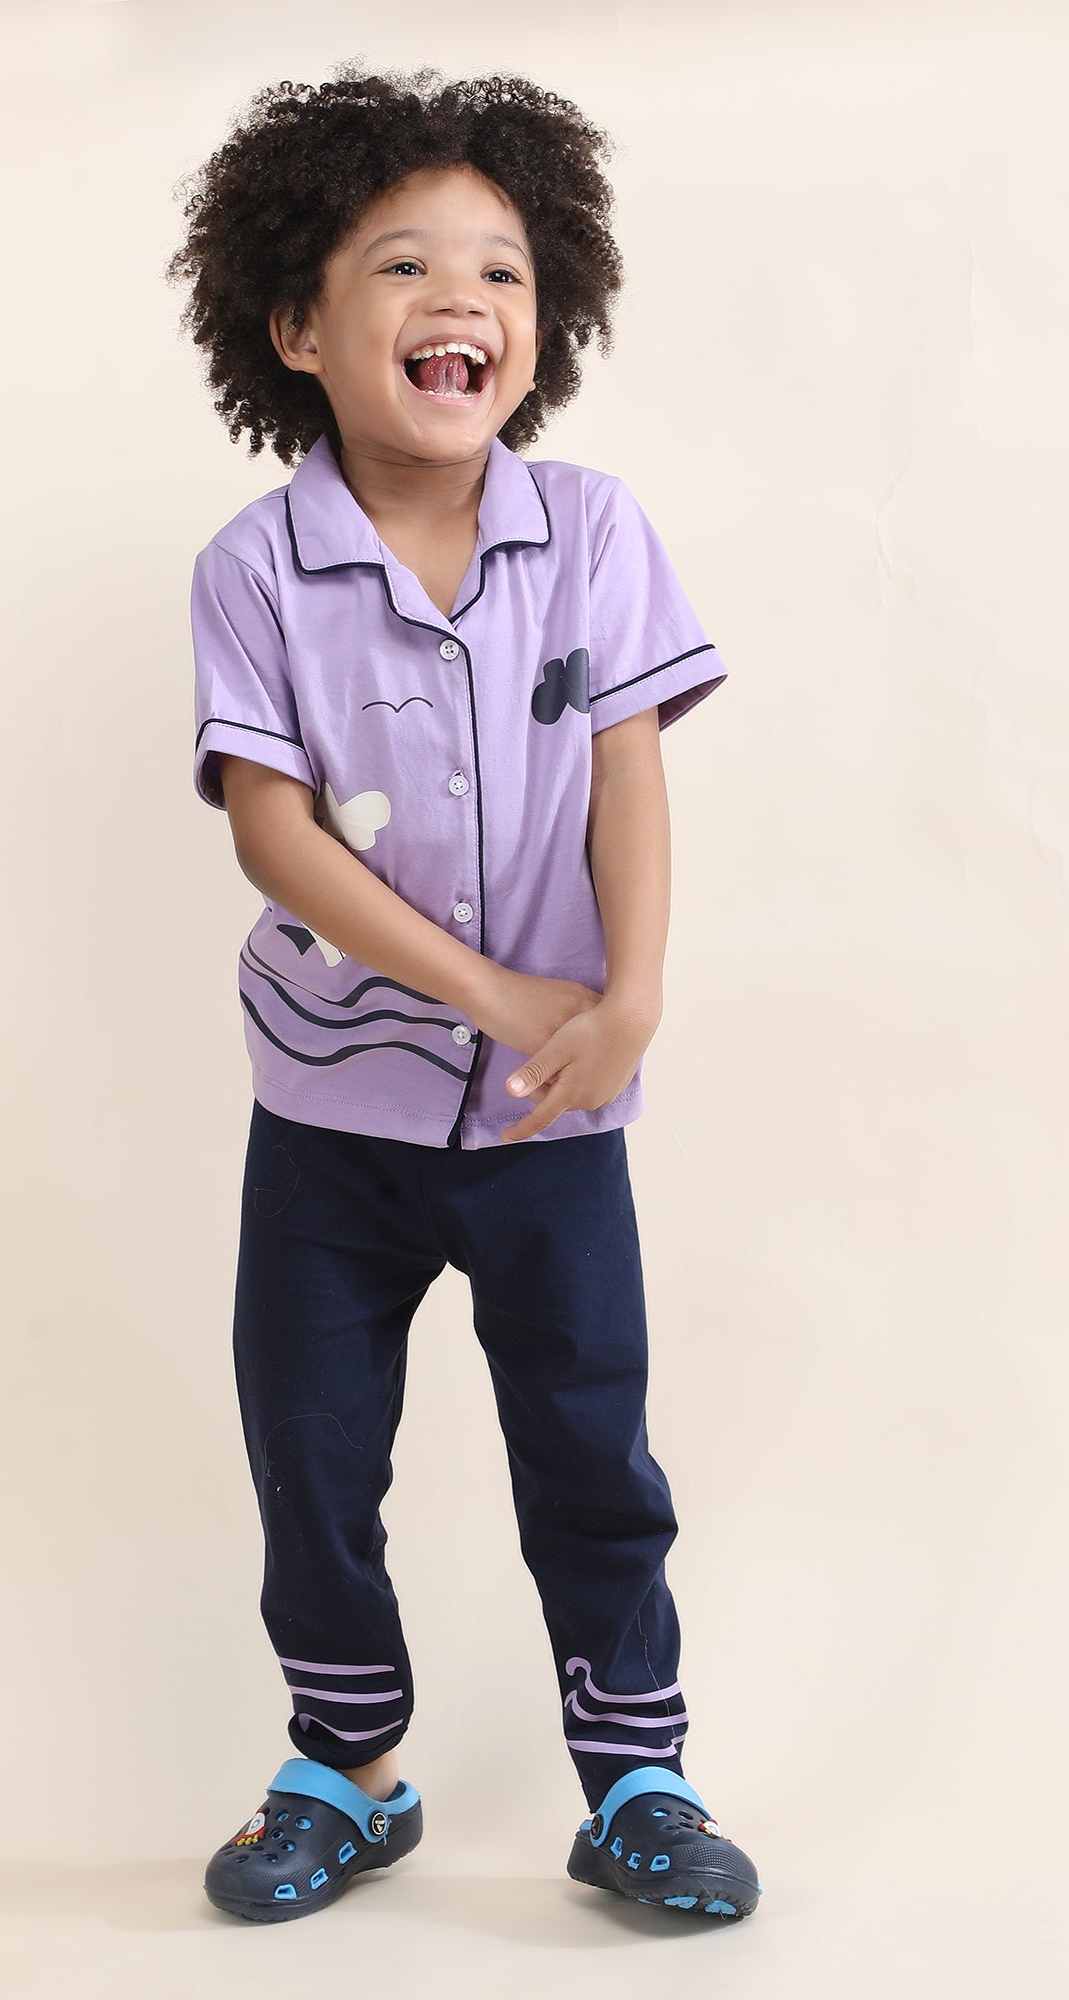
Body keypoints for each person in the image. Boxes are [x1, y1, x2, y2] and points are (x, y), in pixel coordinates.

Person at [166, 63, 761, 1926]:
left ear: (545, 314)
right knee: (310, 1445)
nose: (463, 301)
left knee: (591, 1444)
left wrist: (627, 996)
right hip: (327, 1115)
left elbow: (629, 772)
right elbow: (274, 836)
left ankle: (639, 1778)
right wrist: (500, 990)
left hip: (554, 1113)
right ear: (296, 326)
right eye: (405, 264)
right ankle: (345, 1766)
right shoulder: (256, 568)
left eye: (502, 270)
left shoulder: (593, 531)